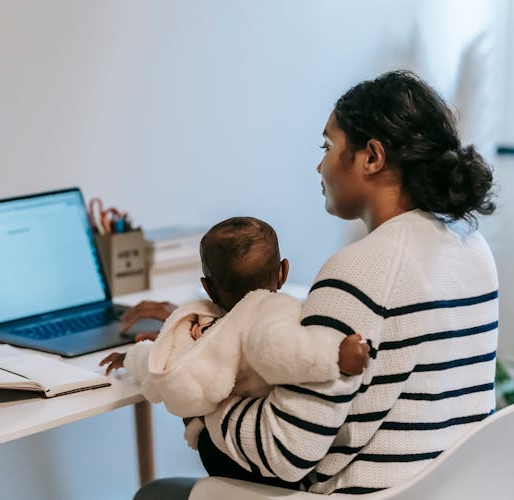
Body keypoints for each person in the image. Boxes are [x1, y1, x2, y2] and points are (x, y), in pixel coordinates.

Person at [130, 70, 499, 499]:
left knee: (157, 494)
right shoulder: (472, 249)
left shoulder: (359, 269)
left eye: (328, 146)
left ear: (371, 157)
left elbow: (285, 451)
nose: (320, 164)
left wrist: (197, 383)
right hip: (447, 490)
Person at [99, 217, 369, 449]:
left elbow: (159, 367)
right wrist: (335, 355)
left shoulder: (206, 333)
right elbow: (288, 351)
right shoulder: (273, 314)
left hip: (228, 451)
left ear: (208, 288)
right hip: (249, 446)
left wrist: (130, 357)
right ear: (283, 272)